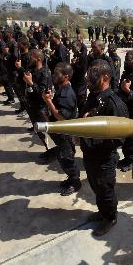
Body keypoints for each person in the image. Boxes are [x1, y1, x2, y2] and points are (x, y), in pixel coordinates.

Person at [80, 59, 129, 237]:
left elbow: (119, 138)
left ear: (106, 77)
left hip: (104, 159)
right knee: (96, 187)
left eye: (93, 76)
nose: (88, 80)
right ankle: (102, 212)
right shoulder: (93, 97)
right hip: (90, 155)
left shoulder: (114, 104)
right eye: (88, 75)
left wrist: (93, 142)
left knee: (105, 189)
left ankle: (110, 218)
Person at [42, 63, 82, 196]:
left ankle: (76, 183)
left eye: (56, 74)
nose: (53, 76)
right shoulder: (61, 89)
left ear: (65, 76)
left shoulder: (67, 94)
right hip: (60, 134)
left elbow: (61, 117)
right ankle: (71, 178)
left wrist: (48, 102)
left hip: (65, 134)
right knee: (62, 158)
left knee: (67, 159)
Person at [70, 40, 89, 111]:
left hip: (80, 83)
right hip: (74, 82)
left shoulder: (82, 57)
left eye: (73, 47)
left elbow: (82, 70)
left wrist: (73, 64)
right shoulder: (77, 55)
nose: (72, 49)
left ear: (78, 47)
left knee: (81, 102)